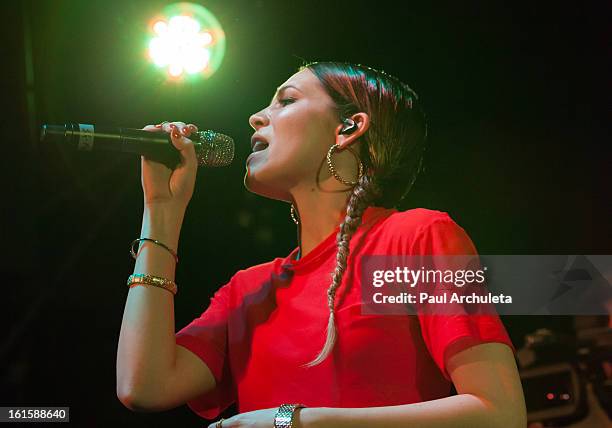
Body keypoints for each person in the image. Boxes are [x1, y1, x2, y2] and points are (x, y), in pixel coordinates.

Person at [117, 61, 527, 427]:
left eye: (286, 100)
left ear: (349, 127)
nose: (256, 117)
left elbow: (498, 413)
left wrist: (295, 422)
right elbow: (144, 386)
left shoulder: (415, 237)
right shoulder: (250, 290)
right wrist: (161, 212)